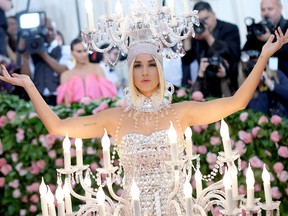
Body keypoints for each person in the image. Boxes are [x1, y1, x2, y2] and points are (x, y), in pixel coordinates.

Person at [1, 27, 287, 215]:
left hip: (179, 208)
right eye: (138, 65)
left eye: (151, 64)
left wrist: (262, 57)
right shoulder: (116, 118)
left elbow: (237, 102)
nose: (145, 72)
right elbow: (58, 127)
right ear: (130, 71)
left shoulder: (180, 112)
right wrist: (29, 85)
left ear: (161, 70)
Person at [181, 1, 241, 93]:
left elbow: (233, 56)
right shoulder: (197, 33)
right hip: (205, 88)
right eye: (199, 21)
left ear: (214, 14)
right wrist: (187, 40)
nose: (204, 23)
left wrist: (208, 37)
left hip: (228, 84)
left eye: (206, 18)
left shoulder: (230, 29)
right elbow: (187, 61)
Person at [19, 17, 74, 106]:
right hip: (37, 98)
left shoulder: (64, 49)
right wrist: (25, 58)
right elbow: (25, 77)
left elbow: (65, 70)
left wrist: (43, 54)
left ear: (56, 31)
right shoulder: (32, 50)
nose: (49, 32)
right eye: (45, 29)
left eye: (51, 29)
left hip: (59, 98)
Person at [56, 38, 117, 105]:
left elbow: (107, 95)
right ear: (72, 53)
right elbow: (65, 103)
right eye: (79, 51)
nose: (83, 54)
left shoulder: (97, 68)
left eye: (85, 51)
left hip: (99, 111)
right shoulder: (66, 75)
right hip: (76, 113)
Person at [242, 0, 288, 76]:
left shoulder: (286, 27)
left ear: (280, 8)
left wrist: (271, 40)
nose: (266, 13)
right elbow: (245, 53)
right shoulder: (258, 29)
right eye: (263, 10)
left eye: (270, 9)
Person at [241, 53, 288, 118]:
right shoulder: (249, 91)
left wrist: (270, 84)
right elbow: (260, 113)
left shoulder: (276, 74)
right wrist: (261, 88)